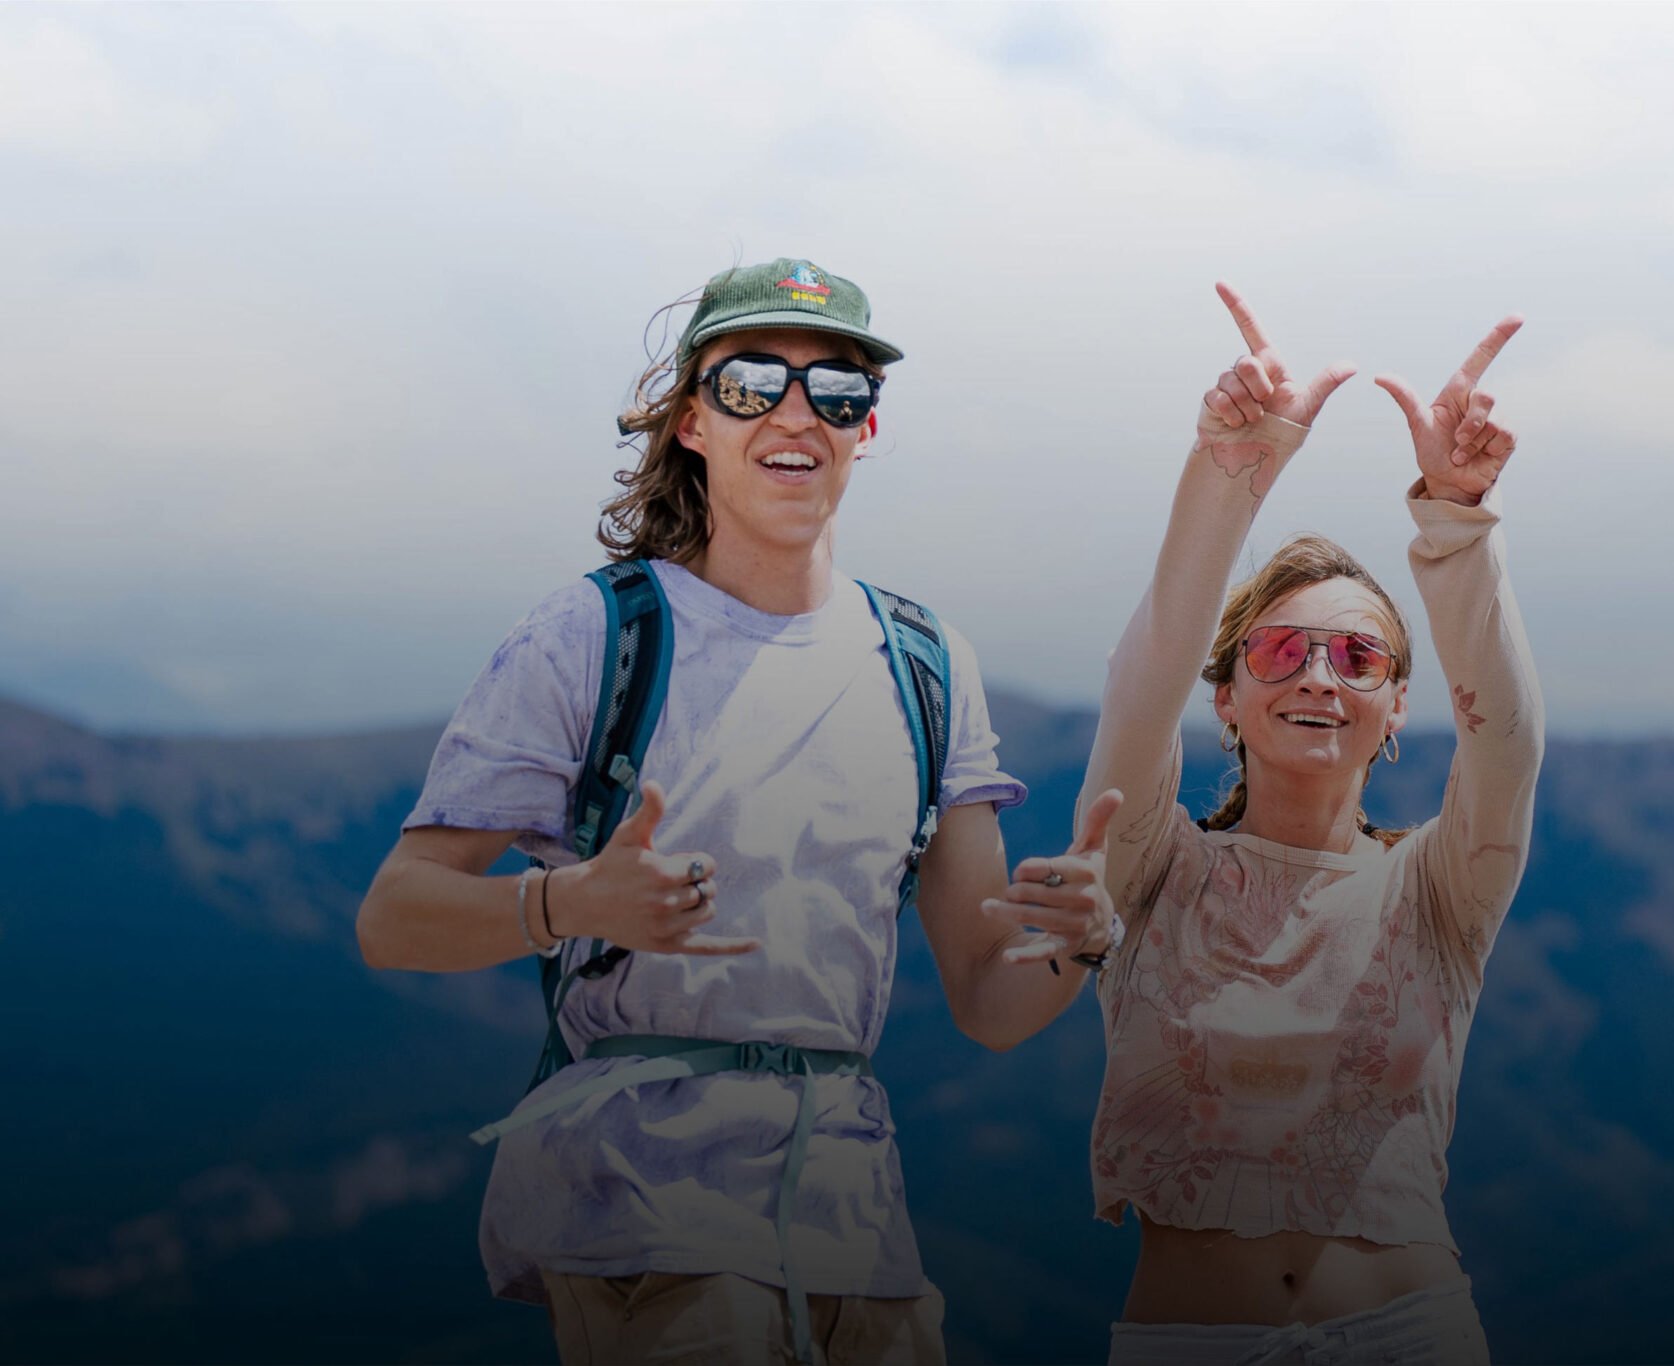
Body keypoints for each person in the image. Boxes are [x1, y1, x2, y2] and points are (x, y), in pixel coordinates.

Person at [355, 257, 1123, 1366]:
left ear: (869, 428)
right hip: (634, 1202)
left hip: (856, 1217)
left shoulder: (927, 664)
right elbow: (396, 915)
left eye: (838, 388)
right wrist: (570, 900)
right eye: (752, 382)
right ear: (689, 423)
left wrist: (1086, 942)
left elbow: (990, 1004)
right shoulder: (592, 635)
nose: (798, 411)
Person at [1075, 283, 1544, 1365]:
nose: (1322, 677)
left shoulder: (1438, 894)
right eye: (1282, 651)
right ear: (1227, 697)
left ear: (1396, 709)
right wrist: (1228, 474)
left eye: (1359, 657)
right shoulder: (1149, 869)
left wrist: (1456, 521)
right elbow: (1137, 687)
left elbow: (1507, 743)